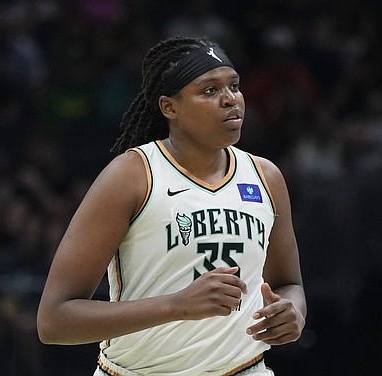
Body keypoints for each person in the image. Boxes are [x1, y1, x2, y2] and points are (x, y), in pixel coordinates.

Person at [36, 36, 306, 375]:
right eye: (209, 90)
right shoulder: (132, 175)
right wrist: (176, 305)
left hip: (245, 368)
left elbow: (289, 284)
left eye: (234, 86)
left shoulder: (266, 176)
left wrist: (293, 312)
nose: (230, 100)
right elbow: (54, 321)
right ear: (169, 107)